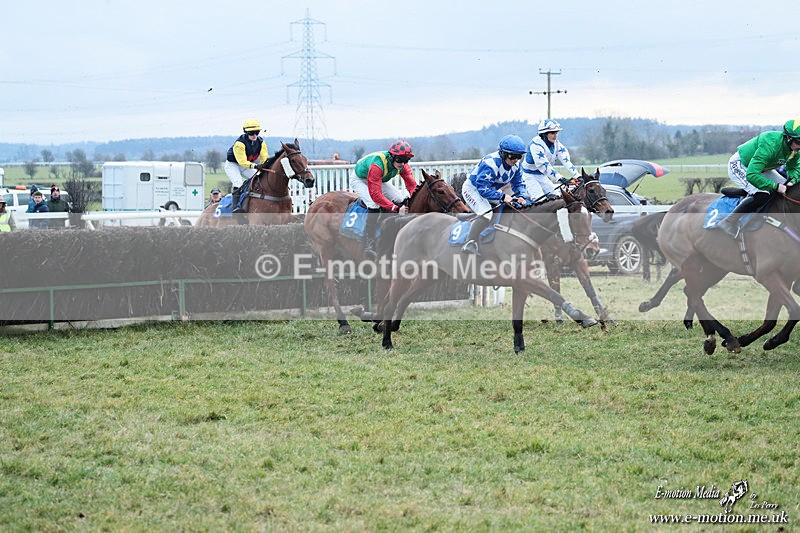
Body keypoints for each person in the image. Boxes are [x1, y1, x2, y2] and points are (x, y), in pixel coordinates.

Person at [716, 119, 800, 238]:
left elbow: (793, 168)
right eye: (799, 142)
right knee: (762, 193)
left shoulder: (794, 149)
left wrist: (792, 180)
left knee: (788, 189)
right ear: (788, 138)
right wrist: (775, 186)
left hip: (762, 168)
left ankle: (749, 192)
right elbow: (752, 175)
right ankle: (728, 222)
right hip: (742, 165)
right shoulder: (770, 144)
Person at [460, 134, 531, 254]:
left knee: (512, 206)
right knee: (487, 212)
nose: (515, 160)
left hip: (490, 189)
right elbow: (482, 189)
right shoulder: (490, 164)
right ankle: (470, 242)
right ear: (503, 154)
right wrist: (502, 196)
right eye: (512, 156)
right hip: (473, 189)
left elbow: (518, 184)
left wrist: (521, 196)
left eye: (519, 156)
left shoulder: (516, 165)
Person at [350, 139, 416, 258]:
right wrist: (396, 209)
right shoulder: (378, 164)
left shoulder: (403, 166)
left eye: (406, 160)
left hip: (377, 179)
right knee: (373, 204)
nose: (402, 164)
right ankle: (369, 241)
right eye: (399, 160)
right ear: (392, 157)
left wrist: (415, 198)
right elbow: (376, 195)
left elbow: (411, 185)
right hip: (360, 179)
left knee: (399, 198)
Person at [521, 119, 581, 201]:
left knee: (557, 197)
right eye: (552, 133)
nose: (555, 136)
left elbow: (566, 161)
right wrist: (560, 179)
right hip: (529, 176)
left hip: (542, 175)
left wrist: (578, 176)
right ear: (544, 134)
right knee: (540, 200)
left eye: (556, 133)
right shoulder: (535, 145)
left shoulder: (557, 144)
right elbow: (544, 166)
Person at [225, 118, 269, 213]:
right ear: (246, 132)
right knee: (238, 183)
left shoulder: (261, 142)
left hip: (246, 165)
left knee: (259, 179)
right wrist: (256, 166)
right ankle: (235, 207)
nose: (254, 135)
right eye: (251, 133)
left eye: (257, 132)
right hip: (233, 165)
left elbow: (264, 157)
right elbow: (242, 161)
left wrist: (265, 165)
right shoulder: (239, 143)